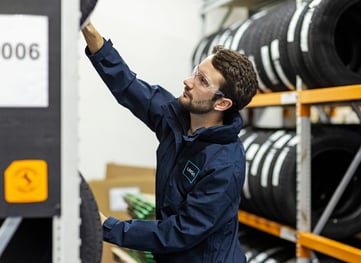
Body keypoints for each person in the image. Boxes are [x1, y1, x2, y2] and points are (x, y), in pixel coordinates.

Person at [82, 21, 259, 263]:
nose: (188, 81)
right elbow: (128, 86)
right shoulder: (176, 117)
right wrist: (88, 29)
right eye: (197, 72)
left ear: (222, 104)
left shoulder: (225, 165)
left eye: (202, 81)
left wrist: (107, 226)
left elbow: (180, 231)